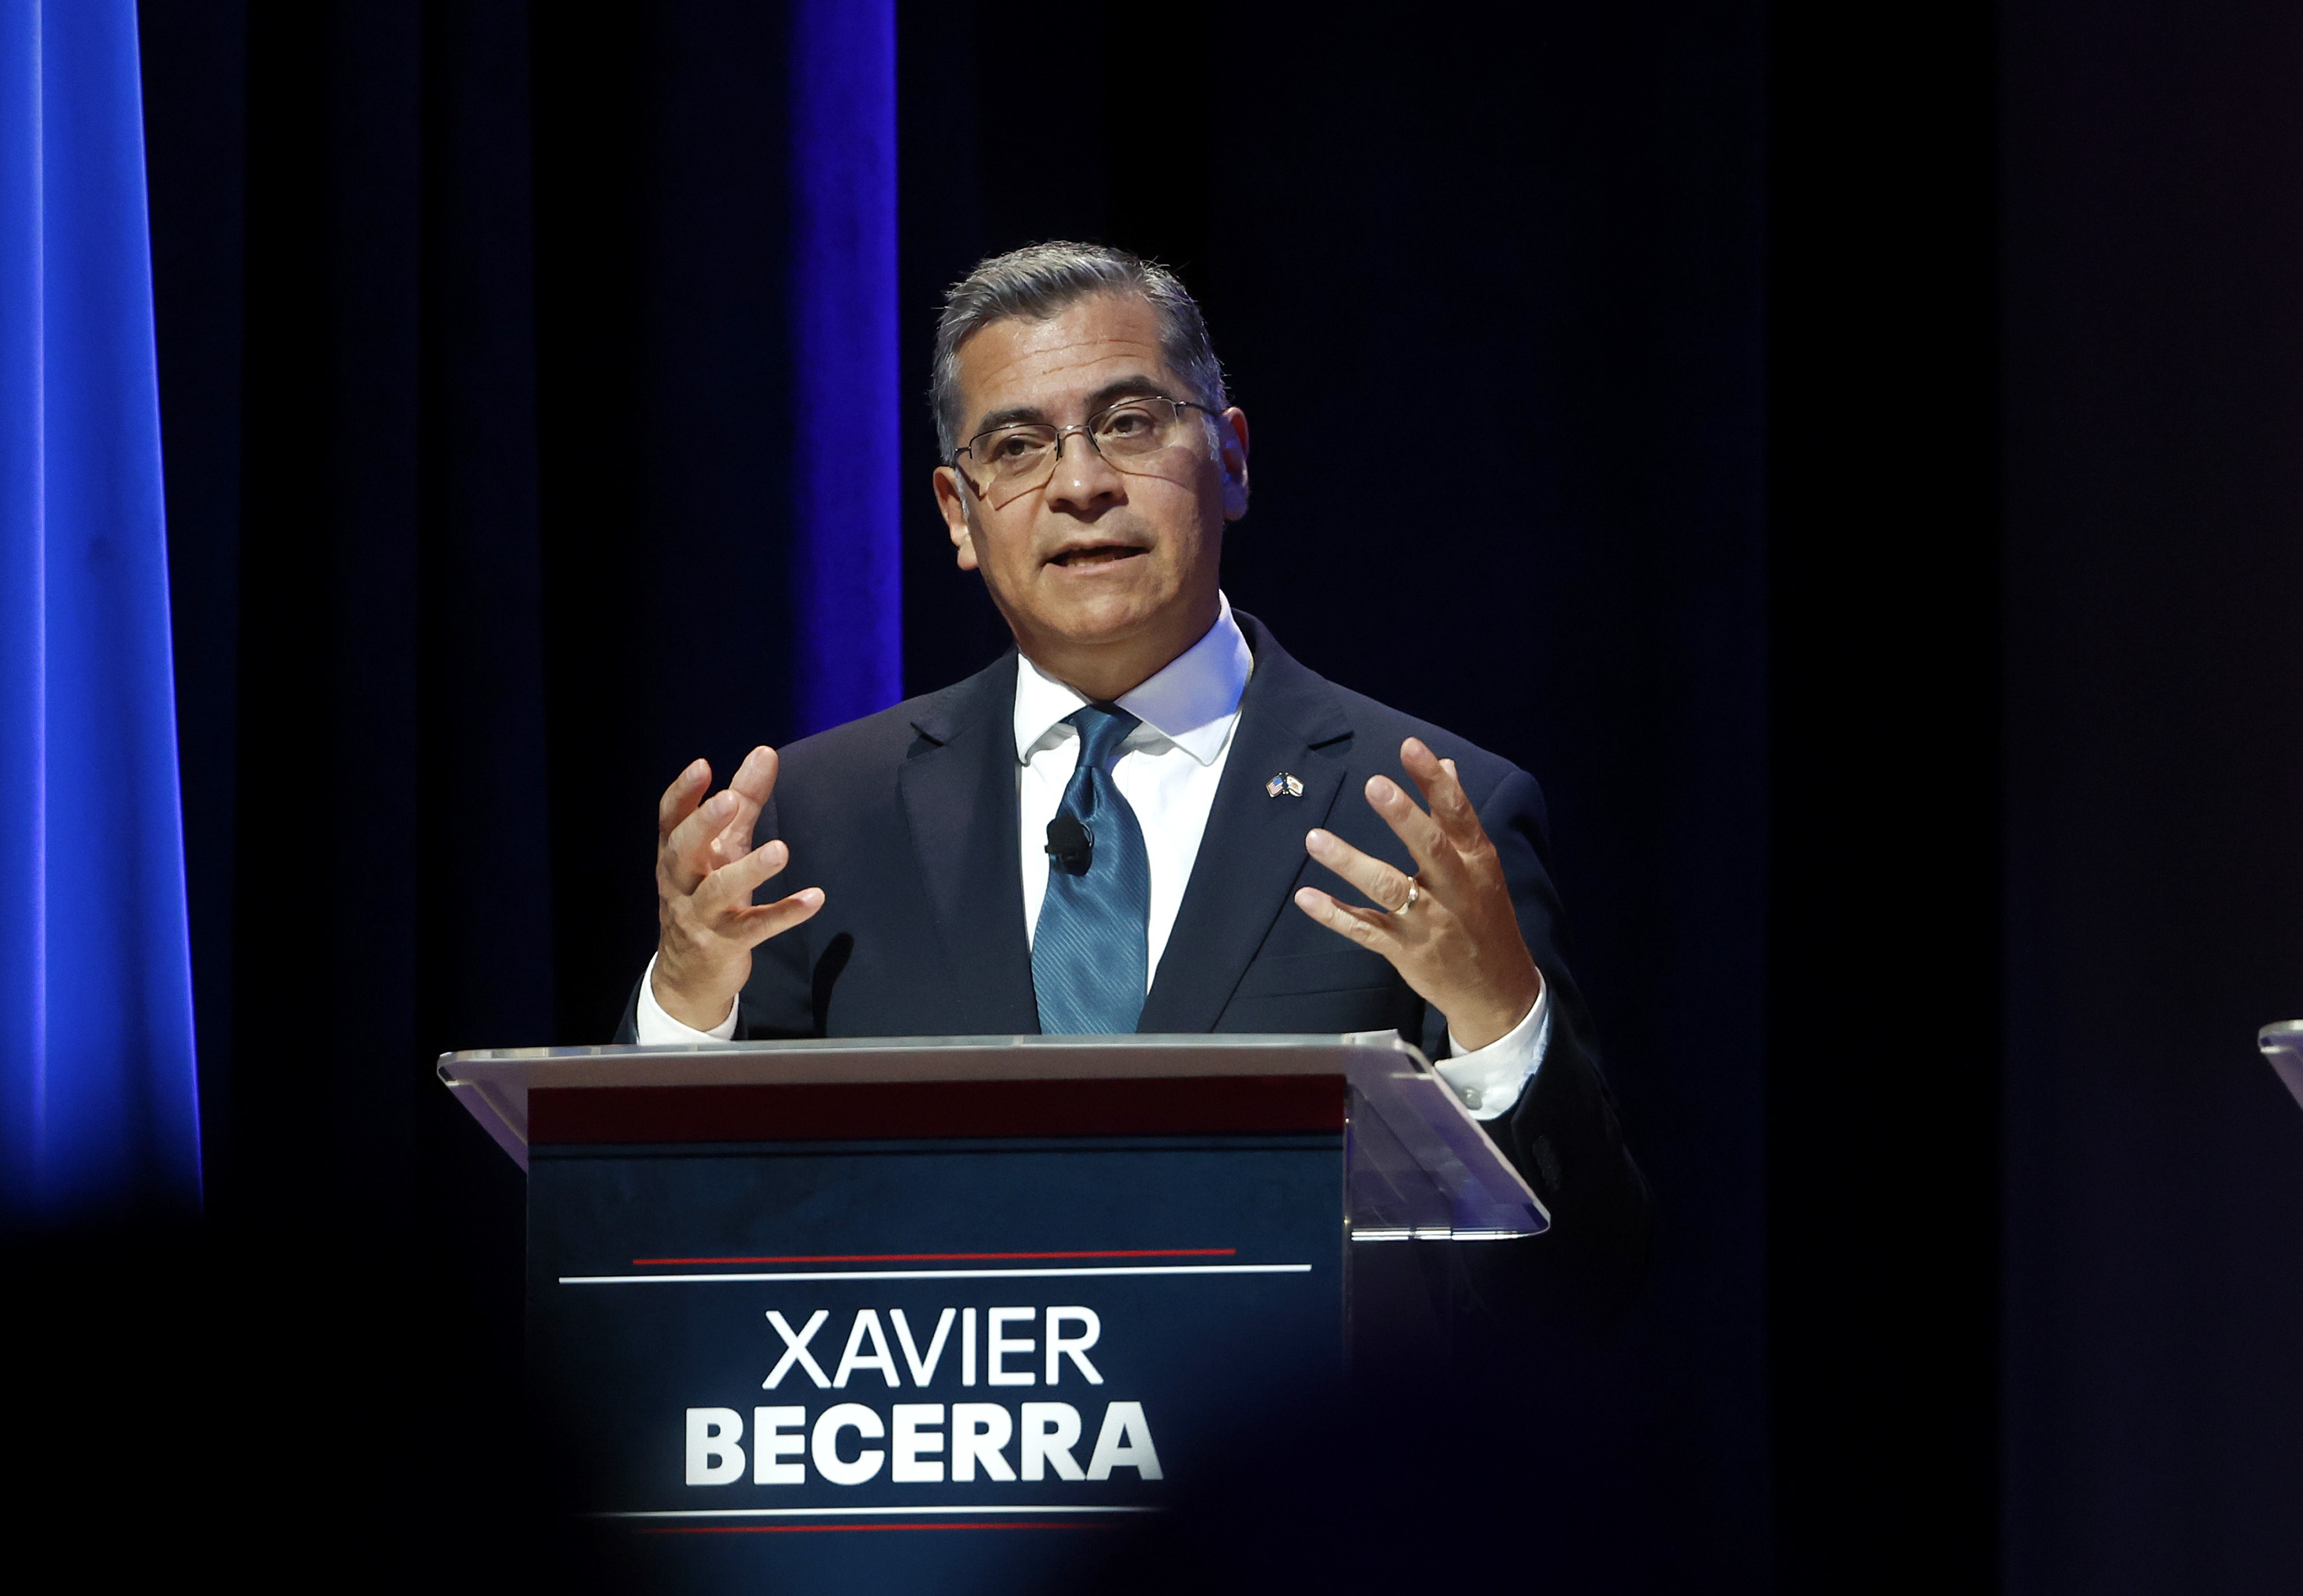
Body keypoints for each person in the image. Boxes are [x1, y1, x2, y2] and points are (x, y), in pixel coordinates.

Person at [633, 239, 1644, 1300]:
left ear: (1234, 459)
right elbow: (658, 1261)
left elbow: (1593, 1280)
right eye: (1017, 447)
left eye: (1129, 423)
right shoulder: (822, 820)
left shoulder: (1429, 820)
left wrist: (1500, 1026)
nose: (1081, 484)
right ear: (956, 515)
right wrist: (689, 1005)